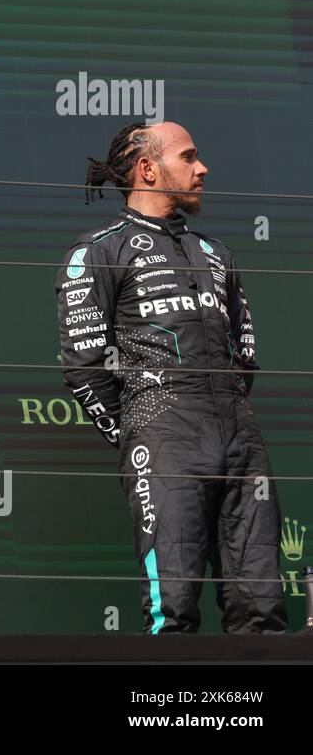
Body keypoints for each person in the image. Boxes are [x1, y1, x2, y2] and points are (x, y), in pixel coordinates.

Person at [57, 121, 285, 633]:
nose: (202, 169)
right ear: (148, 169)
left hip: (241, 439)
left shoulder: (217, 254)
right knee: (174, 609)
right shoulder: (98, 250)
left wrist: (220, 411)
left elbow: (244, 354)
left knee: (262, 610)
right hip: (163, 438)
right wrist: (142, 433)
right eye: (188, 157)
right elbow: (84, 365)